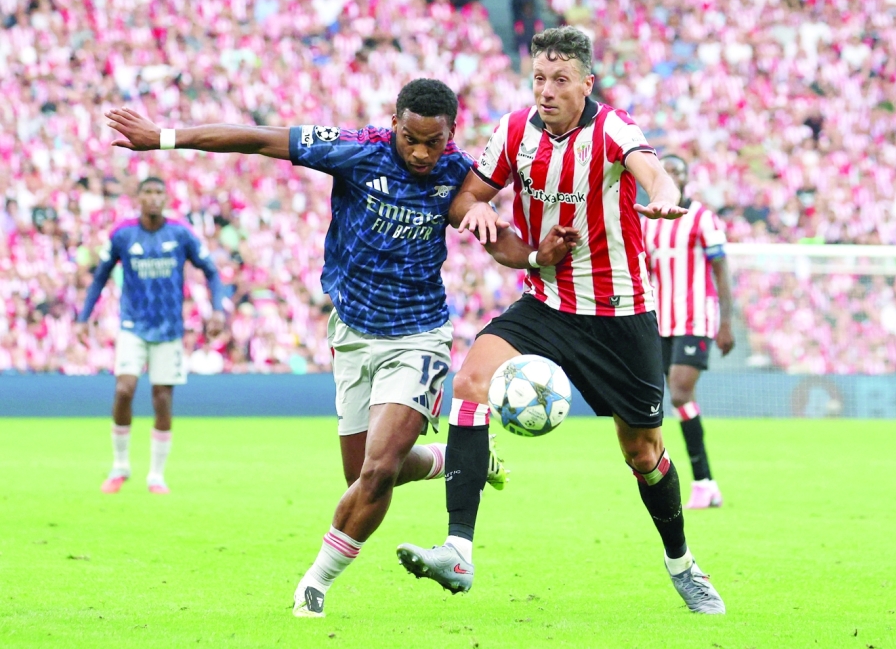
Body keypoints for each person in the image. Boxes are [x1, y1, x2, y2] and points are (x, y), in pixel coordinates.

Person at [104, 78, 577, 617]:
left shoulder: (454, 174)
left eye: (434, 142)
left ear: (451, 134)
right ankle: (458, 459)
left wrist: (537, 255)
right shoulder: (357, 150)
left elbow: (498, 240)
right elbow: (259, 139)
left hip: (419, 336)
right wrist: (163, 137)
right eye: (411, 140)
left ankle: (316, 585)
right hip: (352, 335)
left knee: (376, 472)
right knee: (363, 476)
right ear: (394, 123)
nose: (422, 153)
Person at [396, 27, 726, 614]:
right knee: (469, 382)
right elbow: (466, 202)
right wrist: (501, 234)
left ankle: (682, 565)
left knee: (643, 453)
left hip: (620, 315)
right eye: (539, 79)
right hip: (545, 302)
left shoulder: (614, 129)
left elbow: (652, 171)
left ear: (586, 83)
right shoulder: (514, 131)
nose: (546, 91)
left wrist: (665, 193)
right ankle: (458, 549)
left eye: (560, 80)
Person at [76, 177, 226, 495]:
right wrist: (83, 317)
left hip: (169, 328)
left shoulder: (181, 234)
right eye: (148, 192)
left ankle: (156, 475)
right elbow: (99, 277)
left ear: (166, 197)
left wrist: (218, 310)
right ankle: (120, 465)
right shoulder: (122, 234)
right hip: (133, 325)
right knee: (124, 388)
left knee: (162, 399)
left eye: (160, 192)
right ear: (139, 197)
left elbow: (211, 271)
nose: (154, 198)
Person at [643, 155, 735, 509]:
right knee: (677, 401)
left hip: (696, 317)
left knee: (680, 393)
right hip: (660, 320)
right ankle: (705, 483)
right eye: (667, 171)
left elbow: (722, 270)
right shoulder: (649, 221)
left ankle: (703, 481)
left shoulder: (702, 218)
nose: (673, 177)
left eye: (679, 171)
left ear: (687, 179)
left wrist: (726, 322)